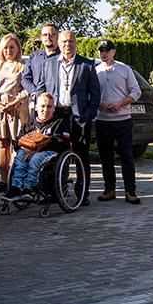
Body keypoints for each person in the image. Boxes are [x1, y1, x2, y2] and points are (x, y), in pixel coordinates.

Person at [36, 30, 101, 206]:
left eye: (71, 41)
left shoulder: (86, 65)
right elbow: (41, 89)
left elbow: (95, 94)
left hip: (80, 117)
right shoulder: (48, 64)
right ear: (58, 42)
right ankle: (53, 192)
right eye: (64, 41)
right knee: (53, 154)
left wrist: (89, 115)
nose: (67, 44)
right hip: (56, 117)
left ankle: (82, 194)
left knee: (81, 155)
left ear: (75, 43)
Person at [95, 38, 141, 204]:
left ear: (113, 51)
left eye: (107, 50)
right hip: (102, 121)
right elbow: (90, 93)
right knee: (105, 158)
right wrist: (97, 102)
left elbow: (136, 91)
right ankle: (109, 189)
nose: (104, 53)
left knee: (126, 157)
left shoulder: (124, 69)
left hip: (123, 120)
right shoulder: (95, 71)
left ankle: (130, 191)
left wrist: (121, 103)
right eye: (101, 50)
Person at [0, 34, 30, 192]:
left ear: (18, 48)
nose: (8, 50)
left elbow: (28, 88)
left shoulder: (23, 65)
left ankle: (15, 180)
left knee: (18, 145)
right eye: (5, 47)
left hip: (17, 110)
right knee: (2, 144)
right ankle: (3, 180)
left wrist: (15, 102)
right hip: (0, 110)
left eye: (11, 47)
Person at [3, 93, 71, 201]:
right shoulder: (28, 126)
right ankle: (15, 188)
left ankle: (29, 189)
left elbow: (62, 144)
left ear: (54, 108)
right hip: (27, 152)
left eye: (49, 107)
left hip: (49, 153)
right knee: (20, 156)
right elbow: (16, 143)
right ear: (36, 107)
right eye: (42, 106)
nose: (45, 110)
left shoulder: (59, 123)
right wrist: (26, 149)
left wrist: (37, 149)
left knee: (35, 159)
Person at [21, 23, 60, 99]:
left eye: (52, 34)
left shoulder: (63, 57)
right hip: (39, 103)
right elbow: (25, 79)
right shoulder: (34, 57)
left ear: (57, 37)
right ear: (41, 37)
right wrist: (35, 92)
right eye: (45, 35)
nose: (48, 37)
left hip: (58, 103)